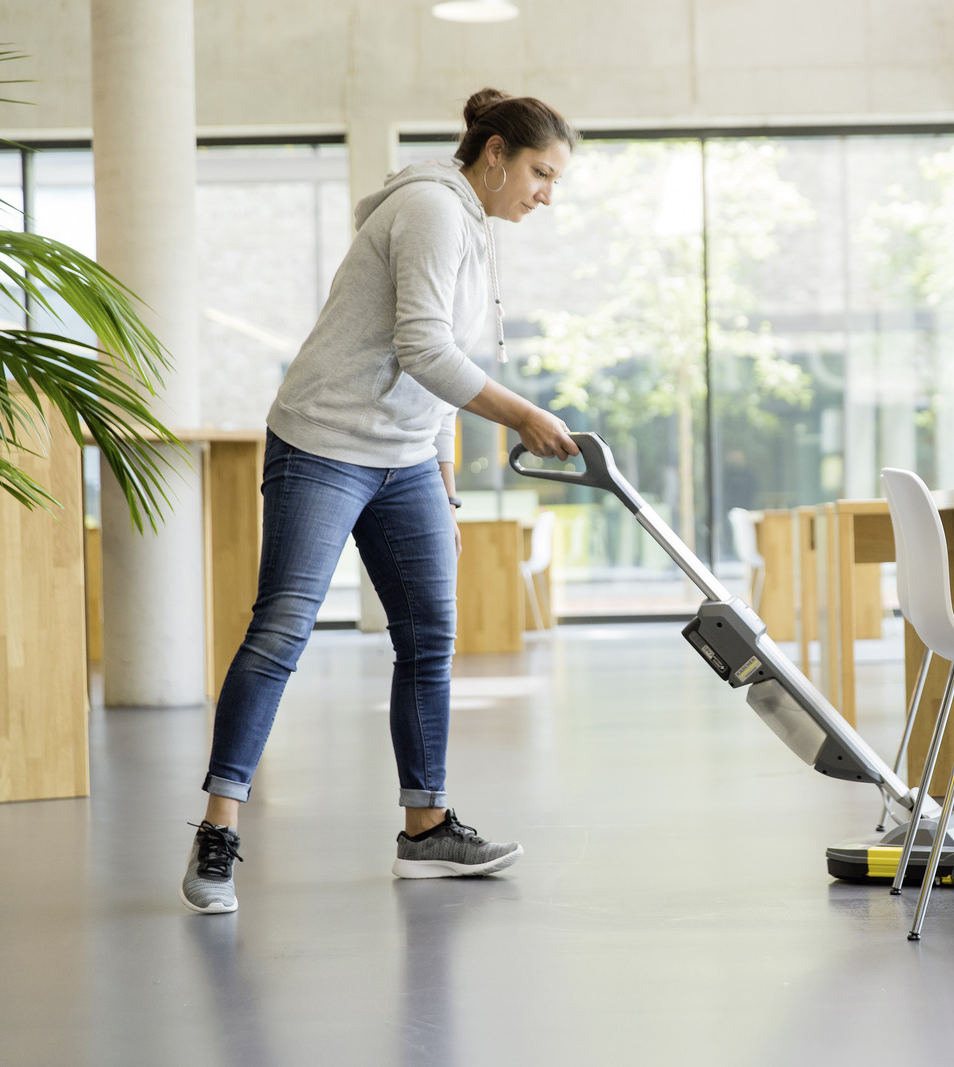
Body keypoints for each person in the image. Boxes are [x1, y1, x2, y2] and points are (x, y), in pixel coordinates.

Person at [181, 89, 581, 914]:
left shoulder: (474, 228)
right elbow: (423, 347)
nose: (547, 194)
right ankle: (218, 829)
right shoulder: (432, 209)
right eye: (541, 173)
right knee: (282, 629)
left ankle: (426, 830)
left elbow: (440, 365)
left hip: (406, 459)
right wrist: (523, 415)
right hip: (323, 444)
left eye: (556, 180)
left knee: (429, 637)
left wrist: (443, 480)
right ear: (496, 154)